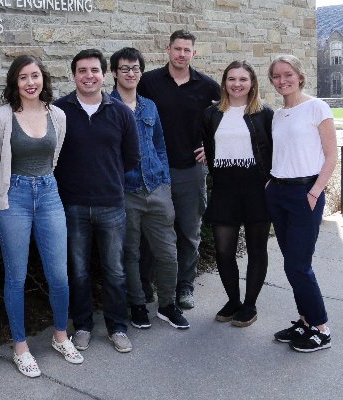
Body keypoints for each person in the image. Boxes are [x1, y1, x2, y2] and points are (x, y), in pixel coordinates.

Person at [0, 56, 83, 378]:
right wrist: (2, 194)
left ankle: (60, 336)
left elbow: (55, 155)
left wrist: (42, 182)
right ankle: (21, 347)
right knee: (16, 277)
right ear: (15, 82)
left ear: (44, 79)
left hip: (50, 193)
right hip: (14, 198)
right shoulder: (3, 117)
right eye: (23, 77)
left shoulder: (58, 115)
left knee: (59, 275)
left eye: (35, 76)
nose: (30, 82)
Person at [54, 49, 140, 353]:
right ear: (74, 74)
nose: (88, 76)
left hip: (111, 205)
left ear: (104, 74)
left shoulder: (119, 112)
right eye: (82, 70)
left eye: (94, 70)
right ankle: (84, 326)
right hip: (72, 205)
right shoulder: (59, 111)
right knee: (78, 271)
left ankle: (117, 327)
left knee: (115, 271)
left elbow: (131, 158)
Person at [138, 30, 220, 309]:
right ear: (168, 50)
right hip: (154, 171)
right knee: (151, 233)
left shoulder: (207, 86)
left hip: (191, 170)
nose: (182, 54)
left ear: (193, 53)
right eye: (177, 49)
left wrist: (213, 148)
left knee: (188, 232)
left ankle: (185, 288)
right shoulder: (149, 82)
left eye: (187, 50)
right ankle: (145, 287)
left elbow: (230, 116)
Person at [109, 47, 189, 331]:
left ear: (141, 72)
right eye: (124, 68)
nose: (130, 73)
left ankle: (168, 304)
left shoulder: (149, 107)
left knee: (167, 251)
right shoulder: (108, 107)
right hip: (126, 192)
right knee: (130, 253)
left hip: (156, 188)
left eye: (135, 68)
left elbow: (160, 146)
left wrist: (165, 182)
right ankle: (138, 304)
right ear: (115, 73)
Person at [266, 55, 337, 352]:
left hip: (304, 193)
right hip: (278, 191)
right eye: (276, 76)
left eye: (288, 74)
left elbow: (331, 155)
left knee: (299, 264)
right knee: (291, 263)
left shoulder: (317, 107)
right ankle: (305, 320)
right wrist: (271, 183)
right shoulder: (279, 114)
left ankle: (321, 329)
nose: (282, 80)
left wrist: (314, 192)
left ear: (299, 76)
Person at [202, 60, 273, 327]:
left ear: (252, 83)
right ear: (224, 83)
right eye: (232, 79)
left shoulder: (264, 113)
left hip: (257, 187)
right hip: (225, 187)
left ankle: (250, 305)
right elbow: (209, 149)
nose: (237, 84)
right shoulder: (211, 114)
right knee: (223, 250)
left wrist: (271, 181)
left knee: (257, 249)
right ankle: (233, 300)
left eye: (243, 79)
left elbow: (273, 150)